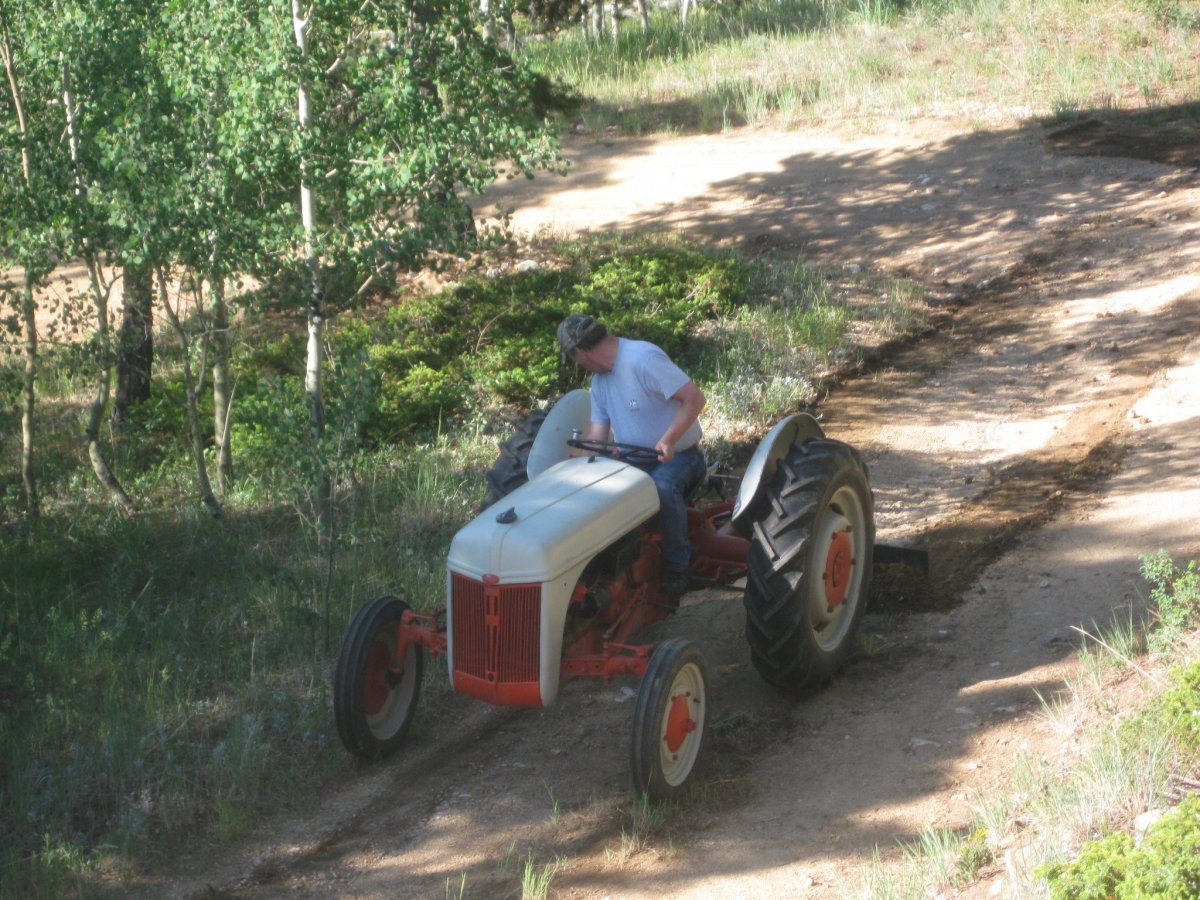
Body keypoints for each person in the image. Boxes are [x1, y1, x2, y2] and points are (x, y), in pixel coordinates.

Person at [557, 314, 706, 598]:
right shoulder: (600, 383)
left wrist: (668, 440)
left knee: (661, 488)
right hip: (634, 462)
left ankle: (679, 567)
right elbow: (598, 437)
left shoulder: (642, 358)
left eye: (574, 358)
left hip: (680, 458)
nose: (577, 364)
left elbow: (694, 398)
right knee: (594, 490)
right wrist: (579, 462)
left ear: (581, 352)